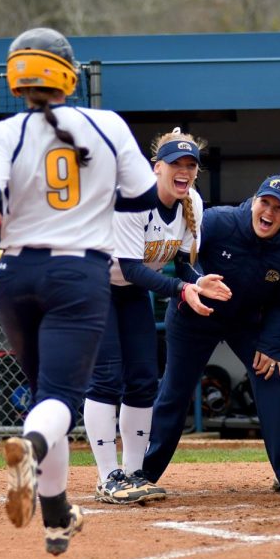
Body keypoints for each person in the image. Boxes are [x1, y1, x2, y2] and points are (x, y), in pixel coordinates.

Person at [0, 27, 159, 555]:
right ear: (67, 74)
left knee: (43, 397)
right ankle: (28, 450)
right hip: (78, 275)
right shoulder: (106, 123)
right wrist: (92, 207)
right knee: (58, 402)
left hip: (14, 274)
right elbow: (144, 194)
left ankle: (56, 515)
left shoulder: (2, 132)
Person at [141, 176, 280, 500]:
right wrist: (197, 282)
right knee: (174, 391)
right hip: (194, 314)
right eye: (265, 202)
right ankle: (142, 472)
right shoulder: (216, 221)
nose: (269, 212)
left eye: (278, 208)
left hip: (245, 321)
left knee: (274, 376)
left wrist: (270, 345)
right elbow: (181, 262)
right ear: (254, 201)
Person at [83, 128, 231, 505]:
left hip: (129, 291)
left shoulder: (192, 202)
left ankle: (135, 474)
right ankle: (108, 476)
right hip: (92, 283)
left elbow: (180, 263)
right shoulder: (133, 199)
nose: (184, 171)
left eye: (190, 165)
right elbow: (131, 267)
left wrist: (198, 282)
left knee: (144, 380)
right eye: (175, 164)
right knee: (107, 378)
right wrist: (183, 291)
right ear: (156, 168)